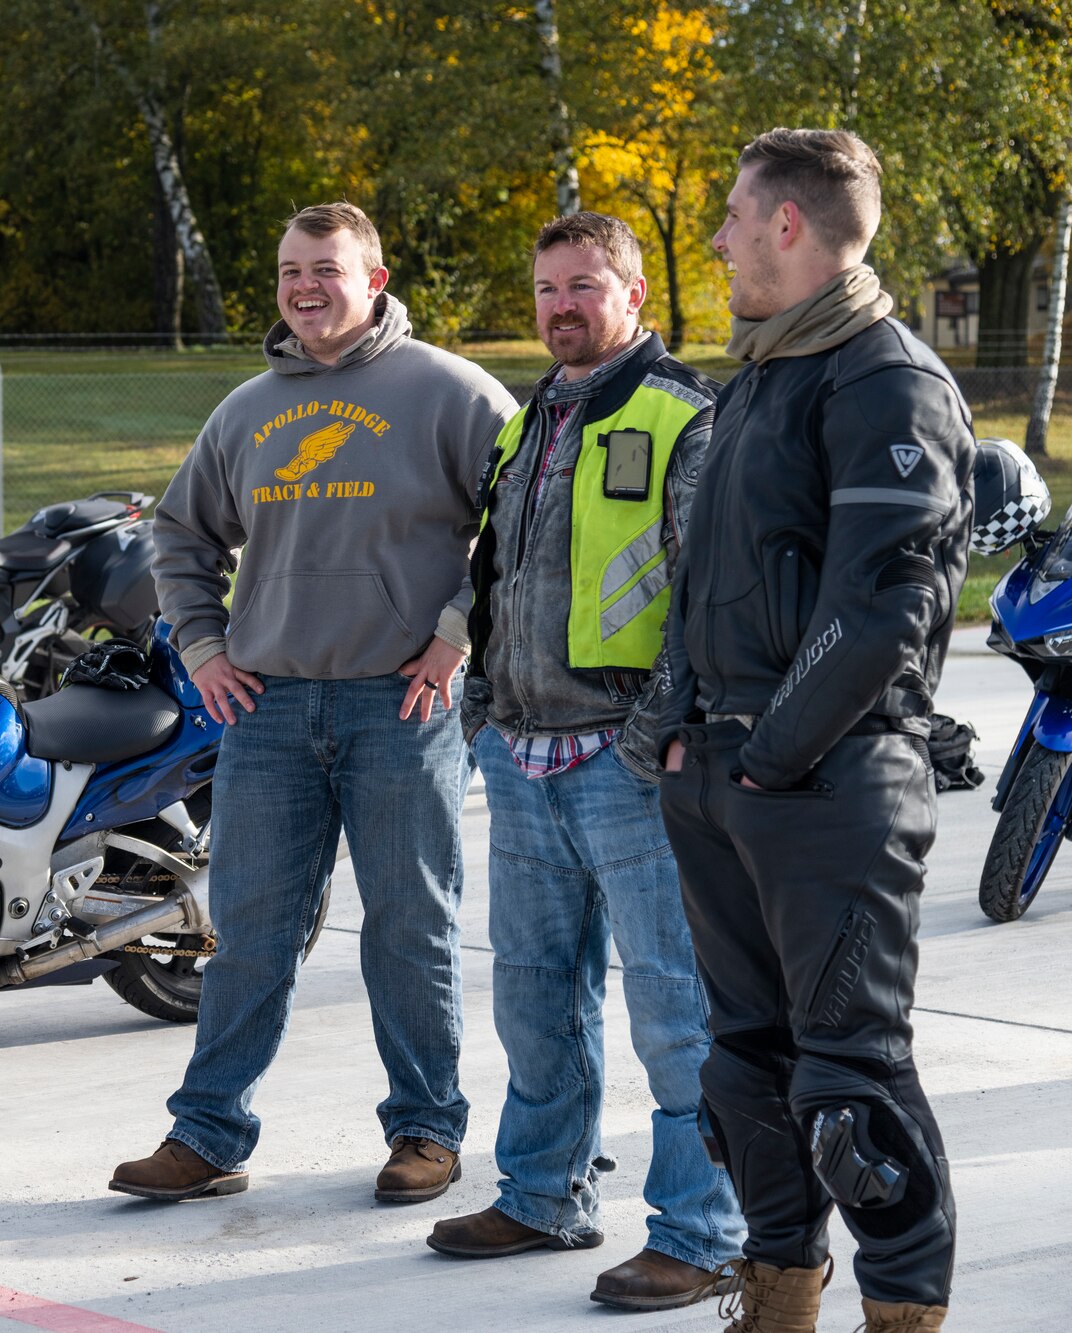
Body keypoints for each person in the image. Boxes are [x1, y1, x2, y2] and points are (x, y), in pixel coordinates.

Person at [110, 201, 517, 1203]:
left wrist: (456, 634)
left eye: (325, 269)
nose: (303, 286)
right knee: (246, 930)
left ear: (372, 279)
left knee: (408, 928)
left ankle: (424, 1129)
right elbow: (178, 536)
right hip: (270, 711)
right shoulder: (246, 409)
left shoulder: (449, 392)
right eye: (290, 268)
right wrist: (202, 646)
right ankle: (207, 1135)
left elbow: (525, 519)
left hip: (401, 708)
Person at [656, 128, 969, 1333]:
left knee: (849, 1088)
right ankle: (778, 1296)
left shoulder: (882, 379)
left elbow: (884, 605)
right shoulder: (760, 378)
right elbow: (700, 584)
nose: (723, 235)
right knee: (742, 1074)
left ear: (788, 223)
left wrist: (773, 753)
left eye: (735, 214)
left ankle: (899, 1314)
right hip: (726, 777)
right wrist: (682, 742)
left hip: (829, 783)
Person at [431, 211, 744, 1310]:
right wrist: (479, 707)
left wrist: (646, 731)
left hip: (626, 765)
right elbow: (495, 579)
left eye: (581, 286)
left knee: (673, 1010)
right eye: (544, 289)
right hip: (520, 759)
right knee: (533, 998)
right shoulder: (527, 424)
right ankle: (539, 1192)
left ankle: (703, 1230)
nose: (559, 306)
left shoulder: (680, 414)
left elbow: (704, 596)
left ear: (633, 295)